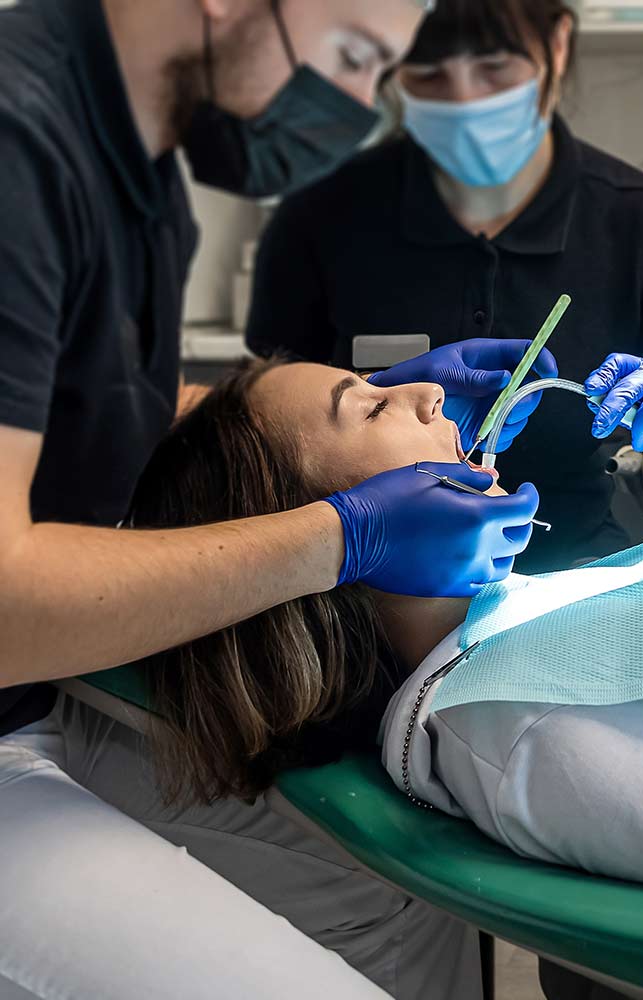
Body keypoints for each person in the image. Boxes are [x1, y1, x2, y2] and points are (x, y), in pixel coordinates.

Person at [86, 356, 643, 1000]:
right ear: (313, 539)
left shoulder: (527, 628)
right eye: (368, 407)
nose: (428, 387)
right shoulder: (518, 720)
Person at [0, 0, 548, 996]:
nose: (351, 108)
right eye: (349, 57)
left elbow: (71, 397)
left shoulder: (135, 165)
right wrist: (341, 534)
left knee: (397, 908)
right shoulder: (15, 142)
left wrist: (362, 402)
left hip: (44, 699)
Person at [246, 0, 643, 573]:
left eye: (494, 67)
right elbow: (249, 450)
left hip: (575, 579)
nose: (464, 100)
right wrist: (373, 400)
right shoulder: (321, 216)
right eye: (429, 74)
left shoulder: (642, 222)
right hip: (367, 586)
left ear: (557, 46)